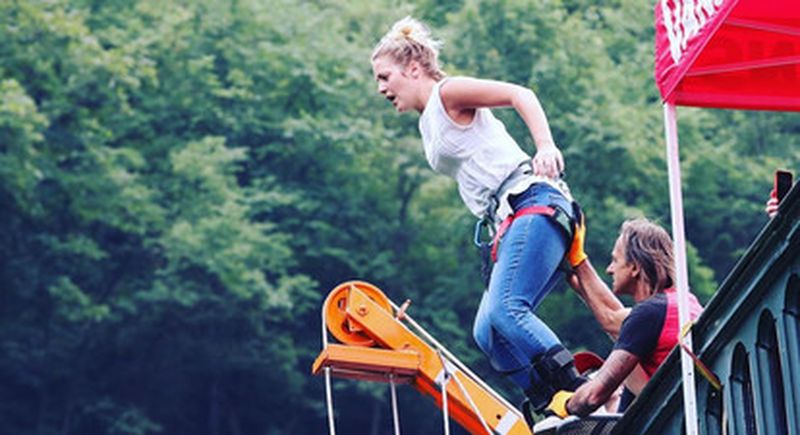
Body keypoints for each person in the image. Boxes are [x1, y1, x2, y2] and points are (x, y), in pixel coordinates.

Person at [371, 17, 585, 415]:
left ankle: (583, 388)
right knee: (488, 332)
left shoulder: (449, 93)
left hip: (532, 199)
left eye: (385, 76)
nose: (381, 88)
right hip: (507, 220)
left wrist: (545, 145)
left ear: (413, 68)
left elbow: (521, 94)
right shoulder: (426, 122)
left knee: (507, 310)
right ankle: (550, 402)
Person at [546, 217, 704, 418]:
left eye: (615, 260)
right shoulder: (680, 303)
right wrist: (578, 268)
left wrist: (564, 405)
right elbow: (612, 319)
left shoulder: (649, 315)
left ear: (635, 267)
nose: (609, 269)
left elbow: (593, 396)